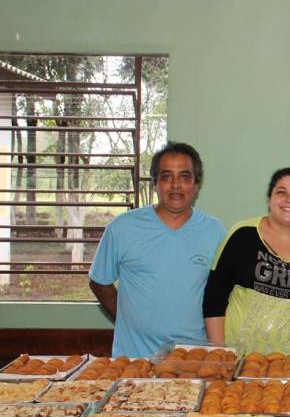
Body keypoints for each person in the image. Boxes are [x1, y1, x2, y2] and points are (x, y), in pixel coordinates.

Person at [89, 142, 226, 358]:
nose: (176, 185)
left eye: (185, 176)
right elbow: (99, 281)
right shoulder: (122, 227)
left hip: (193, 359)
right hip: (133, 359)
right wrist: (129, 320)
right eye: (166, 176)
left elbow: (222, 294)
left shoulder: (215, 231)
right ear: (155, 183)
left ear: (196, 184)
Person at [202, 168, 290, 358]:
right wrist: (221, 355)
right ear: (269, 199)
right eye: (281, 192)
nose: (289, 200)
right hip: (240, 362)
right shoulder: (242, 234)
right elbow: (214, 298)